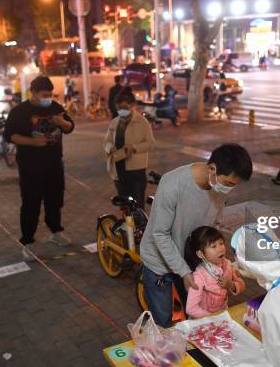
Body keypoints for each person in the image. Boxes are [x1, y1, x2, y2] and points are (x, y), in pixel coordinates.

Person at [140, 143, 253, 327]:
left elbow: (213, 225)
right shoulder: (172, 184)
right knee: (164, 321)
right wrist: (183, 271)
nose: (229, 189)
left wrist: (219, 254)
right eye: (229, 184)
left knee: (195, 313)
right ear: (212, 169)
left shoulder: (217, 187)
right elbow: (159, 234)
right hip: (159, 261)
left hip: (191, 259)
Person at [3, 76, 74, 261]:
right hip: (30, 167)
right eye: (44, 95)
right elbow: (10, 136)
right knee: (30, 204)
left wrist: (62, 123)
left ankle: (56, 231)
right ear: (32, 93)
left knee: (55, 200)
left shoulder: (55, 108)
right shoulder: (19, 111)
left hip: (54, 164)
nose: (48, 98)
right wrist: (32, 142)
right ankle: (27, 242)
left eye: (50, 94)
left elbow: (69, 127)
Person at [103, 87, 155, 208]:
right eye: (119, 108)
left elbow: (150, 143)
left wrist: (134, 148)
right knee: (124, 206)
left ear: (132, 105)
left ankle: (139, 227)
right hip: (118, 170)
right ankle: (127, 227)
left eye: (125, 108)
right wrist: (110, 148)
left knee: (137, 205)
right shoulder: (115, 122)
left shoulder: (142, 122)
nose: (121, 111)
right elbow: (106, 142)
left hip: (136, 171)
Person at [184, 226, 245, 319]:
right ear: (200, 254)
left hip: (222, 314)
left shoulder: (227, 264)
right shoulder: (199, 276)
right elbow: (191, 309)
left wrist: (231, 285)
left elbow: (242, 285)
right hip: (204, 321)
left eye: (221, 243)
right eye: (214, 246)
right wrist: (214, 318)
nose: (220, 249)